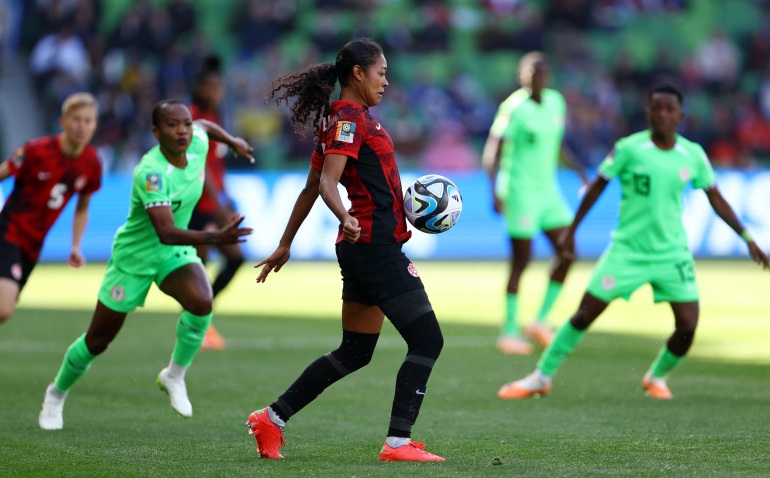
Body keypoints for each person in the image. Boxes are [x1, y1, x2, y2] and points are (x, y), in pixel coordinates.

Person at [497, 81, 769, 401]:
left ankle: (657, 376)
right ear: (648, 112)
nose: (663, 114)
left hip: (672, 253)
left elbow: (716, 198)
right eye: (657, 108)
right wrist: (573, 228)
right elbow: (598, 186)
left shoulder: (691, 155)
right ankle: (539, 377)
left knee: (687, 326)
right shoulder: (629, 148)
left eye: (670, 109)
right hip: (626, 251)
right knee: (583, 315)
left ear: (680, 115)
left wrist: (748, 238)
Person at [248, 38, 445, 462]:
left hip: (361, 247)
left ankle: (271, 418)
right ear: (358, 73)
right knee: (428, 339)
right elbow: (325, 184)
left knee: (355, 351)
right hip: (373, 246)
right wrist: (344, 215)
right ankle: (397, 443)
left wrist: (285, 243)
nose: (386, 81)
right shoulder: (349, 122)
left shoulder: (337, 121)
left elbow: (308, 187)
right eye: (381, 72)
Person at [38, 99, 255, 430]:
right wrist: (215, 238)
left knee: (201, 301)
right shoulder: (151, 173)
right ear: (156, 132)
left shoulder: (197, 141)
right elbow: (166, 232)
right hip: (136, 256)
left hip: (172, 255)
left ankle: (173, 376)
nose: (182, 130)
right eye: (172, 125)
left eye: (185, 123)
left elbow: (206, 127)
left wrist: (233, 142)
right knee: (97, 340)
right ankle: (56, 394)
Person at [481, 51, 588, 355]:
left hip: (548, 193)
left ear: (548, 76)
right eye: (530, 73)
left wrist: (580, 171)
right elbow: (493, 149)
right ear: (521, 76)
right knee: (521, 261)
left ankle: (540, 320)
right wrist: (493, 190)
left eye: (541, 73)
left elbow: (557, 144)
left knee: (568, 252)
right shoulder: (514, 107)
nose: (536, 78)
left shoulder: (556, 101)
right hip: (520, 193)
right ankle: (509, 330)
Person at [0, 92, 101, 324]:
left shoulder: (91, 163)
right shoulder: (36, 151)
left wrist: (76, 245)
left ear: (95, 125)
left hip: (34, 245)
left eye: (88, 121)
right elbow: (3, 173)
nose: (81, 126)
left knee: (5, 310)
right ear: (63, 121)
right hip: (9, 232)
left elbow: (83, 207)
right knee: (4, 307)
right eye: (76, 119)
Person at [188, 55, 244, 351]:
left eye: (218, 87)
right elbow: (199, 167)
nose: (215, 92)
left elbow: (216, 166)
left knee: (235, 258)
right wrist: (219, 204)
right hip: (197, 202)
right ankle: (200, 320)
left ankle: (201, 312)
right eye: (210, 86)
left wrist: (226, 199)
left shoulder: (215, 116)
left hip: (215, 200)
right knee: (201, 262)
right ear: (199, 87)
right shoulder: (193, 117)